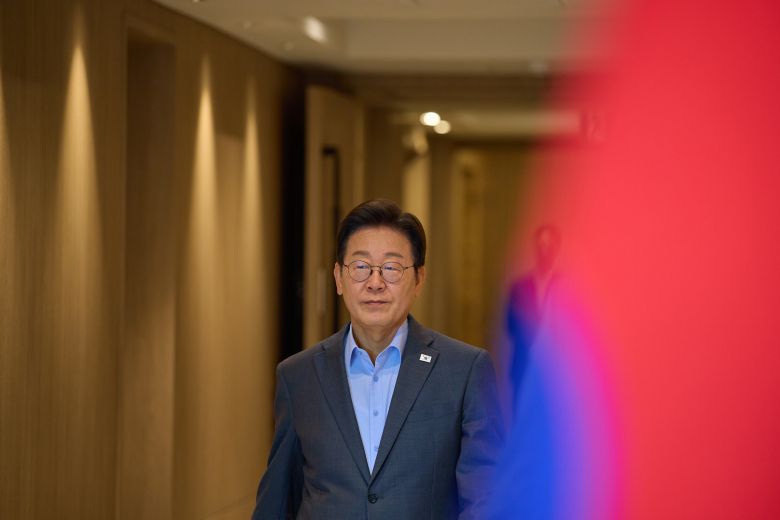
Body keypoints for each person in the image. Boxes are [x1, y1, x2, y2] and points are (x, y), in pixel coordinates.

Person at [252, 199, 503, 519]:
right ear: (339, 278)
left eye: (391, 268)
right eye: (360, 267)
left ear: (419, 278)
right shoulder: (298, 376)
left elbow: (487, 500)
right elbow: (276, 502)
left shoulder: (465, 371)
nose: (375, 283)